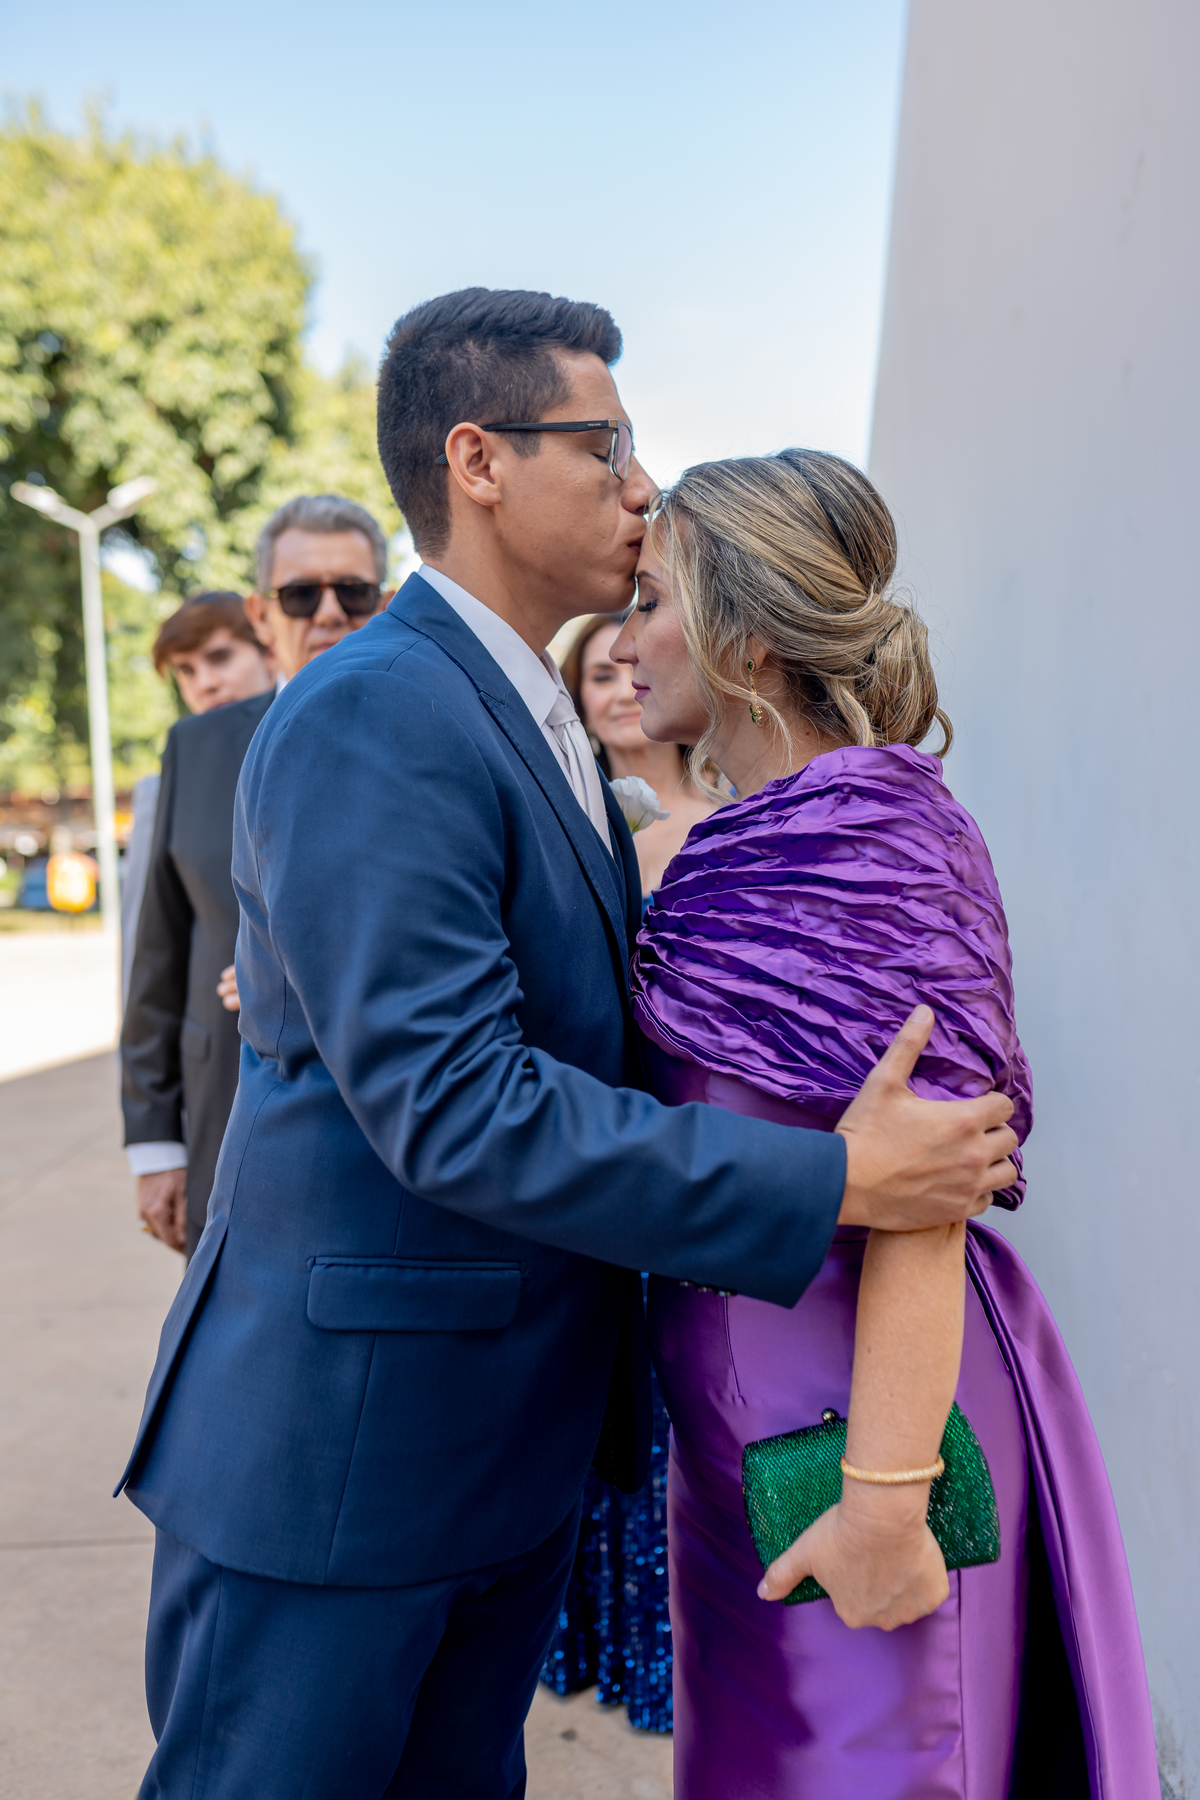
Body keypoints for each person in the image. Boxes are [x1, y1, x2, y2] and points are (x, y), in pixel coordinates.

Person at [116, 288, 1020, 1800]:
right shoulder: (377, 709)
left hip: (496, 1461)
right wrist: (834, 1178)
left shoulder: (532, 718)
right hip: (346, 1465)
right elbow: (453, 1102)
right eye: (606, 446)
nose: (639, 486)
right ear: (478, 461)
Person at [616, 449, 1159, 1799]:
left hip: (863, 1431)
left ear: (744, 633)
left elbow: (933, 1182)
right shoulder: (733, 835)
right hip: (739, 1444)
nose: (624, 641)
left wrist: (882, 1498)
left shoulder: (879, 836)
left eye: (652, 601)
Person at [121, 496, 389, 1257]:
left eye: (353, 592)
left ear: (385, 601)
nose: (329, 613)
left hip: (389, 1128)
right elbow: (159, 952)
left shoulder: (444, 727)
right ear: (262, 613)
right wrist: (155, 1146)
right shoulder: (195, 748)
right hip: (226, 1114)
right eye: (301, 594)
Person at [120, 592, 275, 1007]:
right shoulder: (165, 782)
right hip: (210, 1030)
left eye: (220, 658)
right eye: (186, 671)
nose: (204, 683)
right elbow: (149, 943)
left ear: (269, 651)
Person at [560, 613, 715, 897]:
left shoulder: (735, 801)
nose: (625, 692)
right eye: (603, 677)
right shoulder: (568, 825)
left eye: (643, 667)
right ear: (580, 706)